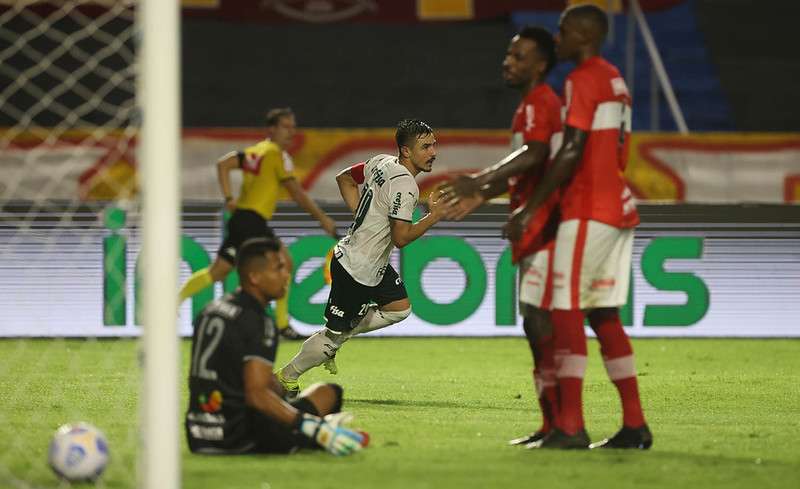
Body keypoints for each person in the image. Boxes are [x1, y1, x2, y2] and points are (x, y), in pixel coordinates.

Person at [504, 4, 651, 450]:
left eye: (564, 31)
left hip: (588, 206)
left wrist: (532, 209)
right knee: (603, 313)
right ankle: (634, 424)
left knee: (562, 310)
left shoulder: (581, 79)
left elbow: (571, 150)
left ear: (584, 35)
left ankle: (570, 426)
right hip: (618, 204)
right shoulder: (614, 79)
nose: (559, 37)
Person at [276, 119, 456, 396]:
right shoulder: (406, 186)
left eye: (434, 145)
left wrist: (364, 218)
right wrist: (434, 216)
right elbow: (401, 238)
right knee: (332, 337)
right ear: (406, 151)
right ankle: (287, 377)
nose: (433, 152)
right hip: (357, 269)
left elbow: (345, 178)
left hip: (368, 262)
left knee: (399, 308)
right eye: (426, 146)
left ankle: (343, 331)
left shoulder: (381, 162)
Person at [444, 26, 562, 448]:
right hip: (532, 222)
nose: (507, 62)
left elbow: (536, 154)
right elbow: (528, 167)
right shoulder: (528, 105)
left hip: (547, 225)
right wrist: (484, 194)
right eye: (508, 55)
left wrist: (480, 180)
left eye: (518, 56)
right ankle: (552, 424)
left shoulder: (542, 101)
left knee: (541, 322)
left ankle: (563, 425)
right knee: (534, 323)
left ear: (540, 64)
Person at [185, 237, 368, 455]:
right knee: (330, 393)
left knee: (310, 392)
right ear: (254, 277)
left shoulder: (210, 310)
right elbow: (256, 394)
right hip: (239, 438)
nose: (286, 275)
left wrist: (281, 394)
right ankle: (315, 434)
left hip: (198, 434)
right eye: (278, 268)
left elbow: (234, 375)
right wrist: (309, 424)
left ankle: (312, 428)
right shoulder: (258, 320)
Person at [178, 107, 338, 340]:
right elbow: (296, 193)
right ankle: (282, 325)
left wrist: (229, 198)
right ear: (272, 129)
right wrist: (323, 218)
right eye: (285, 126)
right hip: (251, 221)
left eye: (293, 127)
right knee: (285, 262)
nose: (291, 132)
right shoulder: (274, 153)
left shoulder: (257, 151)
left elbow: (223, 164)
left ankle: (172, 302)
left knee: (218, 272)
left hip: (242, 220)